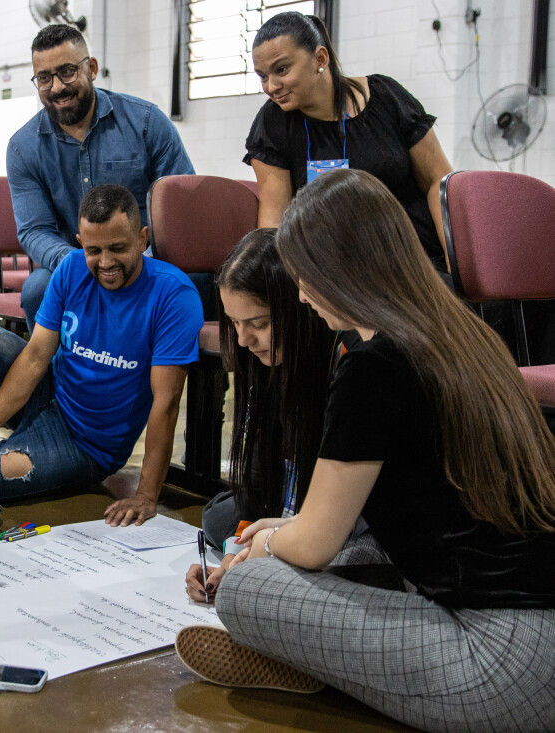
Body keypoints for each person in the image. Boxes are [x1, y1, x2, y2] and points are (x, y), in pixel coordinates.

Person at [174, 169, 555, 732]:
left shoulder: (372, 367)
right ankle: (332, 660)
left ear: (340, 269)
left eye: (304, 278)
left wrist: (272, 543)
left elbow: (316, 543)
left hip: (500, 666)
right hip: (536, 633)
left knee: (248, 589)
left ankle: (320, 662)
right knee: (300, 546)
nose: (302, 294)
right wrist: (282, 528)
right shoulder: (462, 333)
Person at [0, 185, 202, 524]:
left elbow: (167, 401)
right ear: (79, 242)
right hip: (46, 392)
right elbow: (33, 359)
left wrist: (147, 494)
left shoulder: (173, 295)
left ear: (143, 238)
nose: (105, 262)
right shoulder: (72, 268)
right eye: (93, 250)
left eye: (118, 248)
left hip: (85, 443)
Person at [7, 24, 196, 331]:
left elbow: (181, 210)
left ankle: (198, 376)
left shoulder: (147, 123)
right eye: (44, 78)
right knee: (37, 289)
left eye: (67, 71)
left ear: (91, 68)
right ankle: (56, 378)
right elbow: (34, 230)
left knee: (200, 280)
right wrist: (82, 262)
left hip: (147, 260)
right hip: (72, 262)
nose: (56, 87)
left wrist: (140, 260)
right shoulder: (23, 148)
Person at [184, 228, 338, 602]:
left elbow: (334, 508)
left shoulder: (339, 364)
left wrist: (265, 545)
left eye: (258, 324)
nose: (242, 340)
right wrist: (237, 552)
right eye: (235, 324)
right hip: (288, 494)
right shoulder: (264, 362)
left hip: (332, 507)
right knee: (219, 518)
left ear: (299, 306)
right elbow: (259, 472)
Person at [245, 11, 452, 271]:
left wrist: (455, 262)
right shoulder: (273, 123)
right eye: (263, 76)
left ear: (320, 58)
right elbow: (275, 222)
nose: (271, 86)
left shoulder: (386, 97)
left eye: (282, 69)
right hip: (337, 274)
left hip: (417, 260)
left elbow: (438, 181)